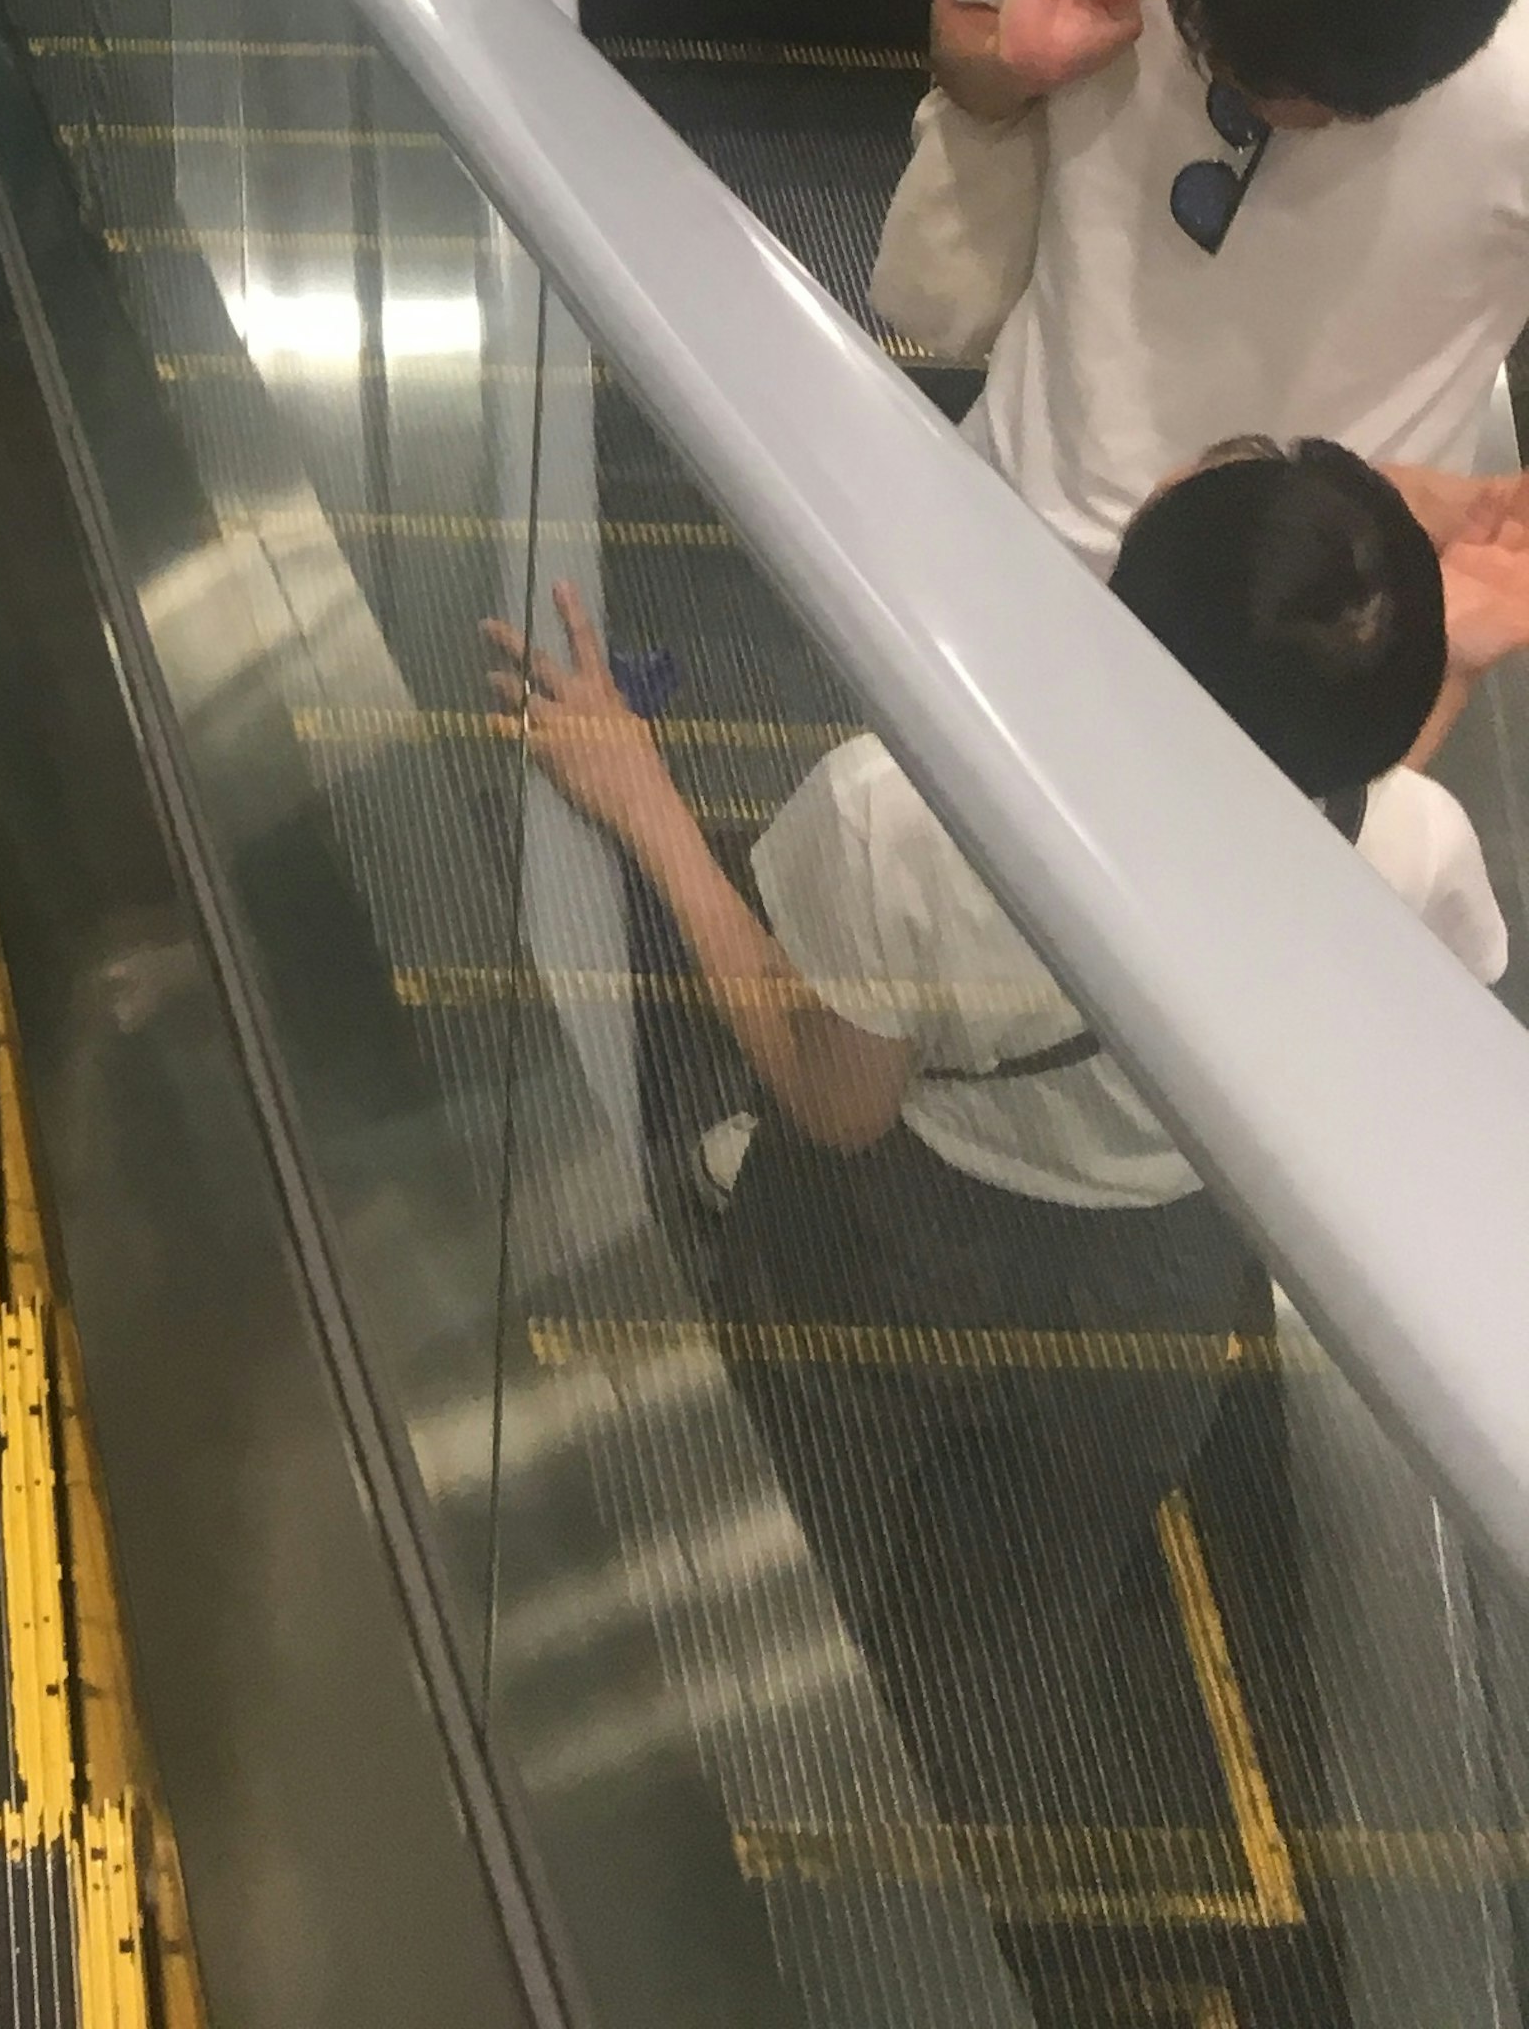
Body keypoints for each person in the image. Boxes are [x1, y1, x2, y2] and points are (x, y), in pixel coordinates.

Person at [491, 444, 1520, 1811]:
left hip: (896, 1236)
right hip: (1164, 1271)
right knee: (1029, 1598)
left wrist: (645, 798)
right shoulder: (1423, 841)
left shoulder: (906, 812)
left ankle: (754, 1787)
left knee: (802, 1505)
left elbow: (833, 1103)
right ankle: (943, 1836)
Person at [929, 0, 1529, 565]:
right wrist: (1014, 62)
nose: (1262, 104)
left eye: (1316, 102)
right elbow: (958, 34)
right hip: (1003, 504)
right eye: (1217, 52)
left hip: (1289, 631)